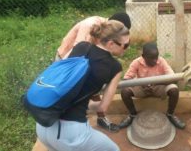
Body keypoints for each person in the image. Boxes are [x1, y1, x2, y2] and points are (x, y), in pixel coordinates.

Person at [36, 20, 130, 151]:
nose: (127, 48)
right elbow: (102, 108)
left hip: (43, 125)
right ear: (111, 44)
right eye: (125, 45)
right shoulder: (115, 67)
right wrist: (89, 104)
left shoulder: (81, 46)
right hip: (70, 133)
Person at [57, 12, 131, 132]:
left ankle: (97, 118)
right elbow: (78, 55)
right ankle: (76, 118)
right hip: (67, 57)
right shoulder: (90, 26)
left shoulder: (105, 30)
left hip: (88, 57)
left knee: (93, 86)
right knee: (77, 90)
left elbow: (97, 52)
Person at [118, 42, 186, 129]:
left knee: (174, 90)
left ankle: (170, 114)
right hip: (142, 87)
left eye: (156, 57)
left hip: (158, 87)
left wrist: (155, 83)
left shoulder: (161, 61)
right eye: (151, 58)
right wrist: (141, 84)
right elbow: (126, 80)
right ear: (143, 56)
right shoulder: (136, 62)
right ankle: (132, 115)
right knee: (125, 91)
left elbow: (173, 79)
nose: (155, 60)